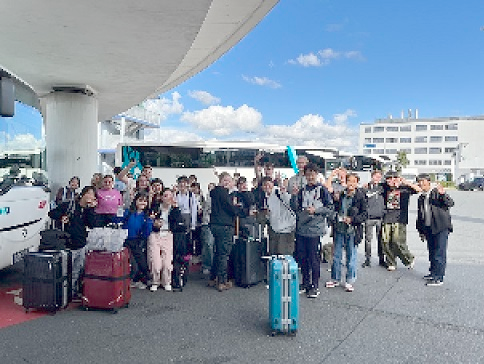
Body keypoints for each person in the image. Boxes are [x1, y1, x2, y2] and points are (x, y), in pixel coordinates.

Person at [291, 163, 334, 299]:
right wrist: (293, 195)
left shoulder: (322, 190)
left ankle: (314, 286)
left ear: (316, 174)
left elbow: (330, 209)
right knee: (302, 258)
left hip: (315, 230)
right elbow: (295, 208)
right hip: (302, 229)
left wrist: (316, 210)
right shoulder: (301, 191)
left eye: (312, 174)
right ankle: (305, 283)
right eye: (307, 174)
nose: (310, 177)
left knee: (314, 259)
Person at [48, 186, 98, 299]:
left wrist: (91, 209)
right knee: (65, 271)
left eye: (93, 195)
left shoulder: (87, 210)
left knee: (77, 271)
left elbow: (92, 224)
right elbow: (51, 213)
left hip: (81, 244)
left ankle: (72, 293)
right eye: (89, 193)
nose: (91, 197)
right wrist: (61, 217)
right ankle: (62, 294)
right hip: (68, 245)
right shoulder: (70, 205)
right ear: (83, 194)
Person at [325, 173, 367, 292]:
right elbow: (335, 208)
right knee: (336, 255)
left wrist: (352, 220)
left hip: (352, 230)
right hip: (339, 228)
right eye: (349, 181)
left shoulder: (360, 196)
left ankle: (350, 280)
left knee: (351, 256)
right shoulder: (342, 194)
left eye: (354, 181)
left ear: (357, 183)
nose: (351, 184)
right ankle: (335, 278)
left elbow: (365, 214)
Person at [416, 174, 454, 286]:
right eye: (420, 183)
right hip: (429, 228)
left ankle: (439, 278)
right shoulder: (421, 197)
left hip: (441, 227)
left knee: (439, 253)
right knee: (432, 252)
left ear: (429, 182)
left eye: (424, 182)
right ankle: (433, 273)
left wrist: (443, 194)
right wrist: (421, 231)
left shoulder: (436, 193)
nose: (422, 185)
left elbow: (450, 203)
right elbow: (420, 215)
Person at [208, 172, 243, 292]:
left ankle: (212, 278)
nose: (229, 182)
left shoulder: (213, 193)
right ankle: (222, 281)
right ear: (222, 181)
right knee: (223, 254)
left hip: (214, 224)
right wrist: (237, 207)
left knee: (217, 252)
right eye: (227, 180)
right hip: (225, 225)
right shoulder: (223, 193)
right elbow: (231, 209)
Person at [381, 171, 421, 271]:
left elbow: (418, 190)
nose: (391, 181)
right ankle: (391, 262)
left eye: (394, 178)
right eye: (388, 178)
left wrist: (405, 182)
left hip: (400, 218)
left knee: (397, 241)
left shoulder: (405, 188)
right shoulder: (384, 187)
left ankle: (409, 259)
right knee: (385, 241)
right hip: (386, 217)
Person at [147, 189, 183, 292]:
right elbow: (149, 219)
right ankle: (155, 282)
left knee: (167, 262)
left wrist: (176, 208)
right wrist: (154, 223)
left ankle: (166, 282)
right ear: (162, 197)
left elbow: (178, 222)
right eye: (166, 195)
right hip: (155, 234)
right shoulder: (156, 208)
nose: (169, 198)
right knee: (155, 261)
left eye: (171, 195)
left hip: (168, 234)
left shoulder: (174, 209)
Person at [121, 192, 153, 289]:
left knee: (141, 261)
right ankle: (129, 280)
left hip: (136, 241)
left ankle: (145, 278)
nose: (142, 203)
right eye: (140, 200)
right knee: (132, 264)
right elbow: (119, 221)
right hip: (125, 240)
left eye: (144, 201)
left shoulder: (146, 216)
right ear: (135, 201)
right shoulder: (128, 212)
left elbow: (146, 233)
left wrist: (149, 221)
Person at [263, 176, 296, 255]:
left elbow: (289, 201)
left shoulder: (278, 192)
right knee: (274, 255)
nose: (267, 187)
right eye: (264, 185)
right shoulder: (266, 198)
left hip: (286, 230)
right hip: (275, 230)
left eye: (269, 184)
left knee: (285, 256)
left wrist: (284, 192)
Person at [362, 170, 385, 268]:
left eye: (379, 177)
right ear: (372, 176)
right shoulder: (365, 188)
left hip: (380, 217)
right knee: (368, 240)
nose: (377, 179)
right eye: (376, 176)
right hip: (369, 217)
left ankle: (381, 259)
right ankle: (367, 259)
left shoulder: (383, 188)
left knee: (380, 239)